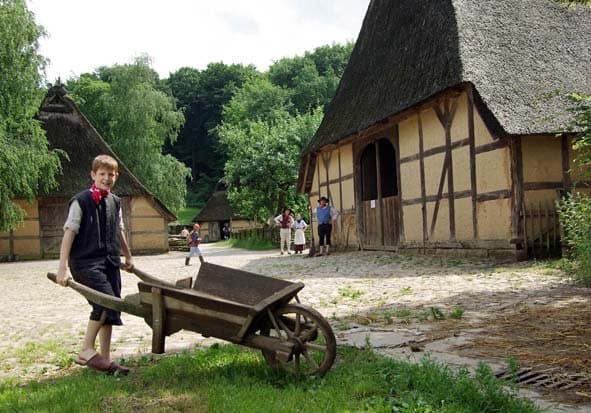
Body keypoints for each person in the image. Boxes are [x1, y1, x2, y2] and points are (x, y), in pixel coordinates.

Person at [56, 154, 133, 374]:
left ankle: (105, 359)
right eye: (102, 174)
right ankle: (86, 349)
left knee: (112, 306)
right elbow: (69, 232)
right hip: (85, 262)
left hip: (110, 262)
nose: (107, 178)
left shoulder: (115, 201)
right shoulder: (80, 201)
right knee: (104, 301)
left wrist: (128, 256)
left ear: (116, 176)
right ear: (93, 175)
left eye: (111, 174)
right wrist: (62, 268)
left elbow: (119, 230)